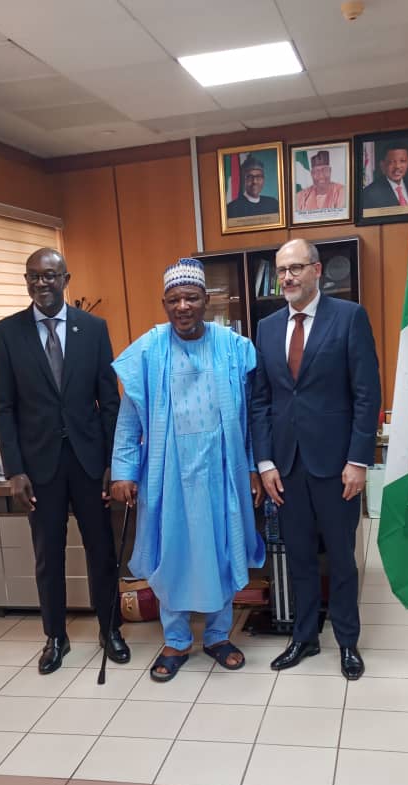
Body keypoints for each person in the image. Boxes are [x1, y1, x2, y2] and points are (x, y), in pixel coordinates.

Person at [110, 257, 265, 682]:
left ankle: (217, 636)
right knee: (171, 554)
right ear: (164, 303)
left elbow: (255, 416)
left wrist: (254, 466)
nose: (183, 307)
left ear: (206, 300)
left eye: (191, 298)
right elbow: (129, 418)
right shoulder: (148, 350)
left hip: (222, 471)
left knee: (221, 551)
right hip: (168, 475)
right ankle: (176, 640)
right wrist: (123, 471)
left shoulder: (234, 347)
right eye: (174, 299)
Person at [0, 247, 130, 674]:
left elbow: (109, 400)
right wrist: (14, 470)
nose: (42, 283)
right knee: (47, 555)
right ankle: (55, 636)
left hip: (89, 463)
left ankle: (110, 629)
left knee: (101, 551)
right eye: (34, 276)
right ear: (26, 281)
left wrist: (113, 462)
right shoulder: (7, 333)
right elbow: (3, 406)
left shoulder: (93, 328)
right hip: (39, 467)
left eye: (50, 275)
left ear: (65, 280)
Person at [251, 239, 381, 680]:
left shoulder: (349, 318)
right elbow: (261, 400)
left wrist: (359, 460)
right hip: (286, 466)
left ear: (317, 270)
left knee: (341, 558)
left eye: (296, 268)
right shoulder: (266, 328)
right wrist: (265, 462)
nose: (287, 277)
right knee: (299, 556)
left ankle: (347, 641)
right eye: (281, 270)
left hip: (336, 465)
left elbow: (366, 395)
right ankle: (304, 637)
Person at [361, 141, 408, 210]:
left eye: (402, 161)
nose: (397, 166)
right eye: (391, 162)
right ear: (382, 165)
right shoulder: (369, 194)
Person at [227, 154, 280, 220]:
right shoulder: (232, 208)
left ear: (263, 180)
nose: (254, 181)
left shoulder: (273, 204)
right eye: (250, 177)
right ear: (243, 180)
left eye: (258, 177)